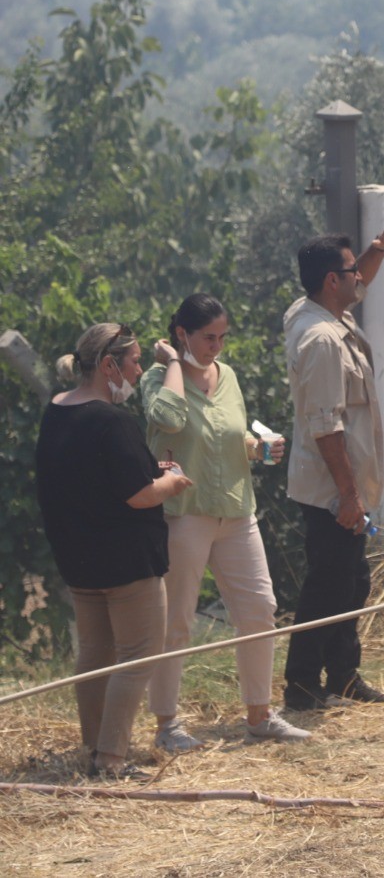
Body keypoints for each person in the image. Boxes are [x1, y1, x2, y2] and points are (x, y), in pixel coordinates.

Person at [140, 293, 309, 747]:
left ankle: (259, 714)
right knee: (176, 620)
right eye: (207, 338)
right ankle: (166, 725)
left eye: (221, 338)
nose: (216, 347)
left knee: (259, 610)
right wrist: (175, 362)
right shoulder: (158, 378)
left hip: (236, 509)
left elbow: (228, 435)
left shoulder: (228, 375)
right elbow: (169, 419)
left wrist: (259, 449)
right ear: (182, 334)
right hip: (183, 514)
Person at [35, 323, 193, 778]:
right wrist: (172, 481)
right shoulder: (113, 419)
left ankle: (94, 748)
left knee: (95, 655)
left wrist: (150, 473)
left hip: (78, 558)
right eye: (135, 362)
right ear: (109, 366)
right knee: (138, 655)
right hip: (126, 561)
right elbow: (140, 494)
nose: (140, 369)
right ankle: (112, 757)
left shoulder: (58, 410)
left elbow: (93, 476)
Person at [281, 224, 384, 711]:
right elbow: (326, 425)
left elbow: (354, 279)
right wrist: (350, 495)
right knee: (329, 584)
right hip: (330, 489)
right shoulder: (321, 339)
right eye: (350, 271)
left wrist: (377, 249)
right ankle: (301, 685)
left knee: (351, 581)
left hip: (337, 487)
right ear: (329, 282)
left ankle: (342, 676)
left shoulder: (317, 310)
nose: (360, 276)